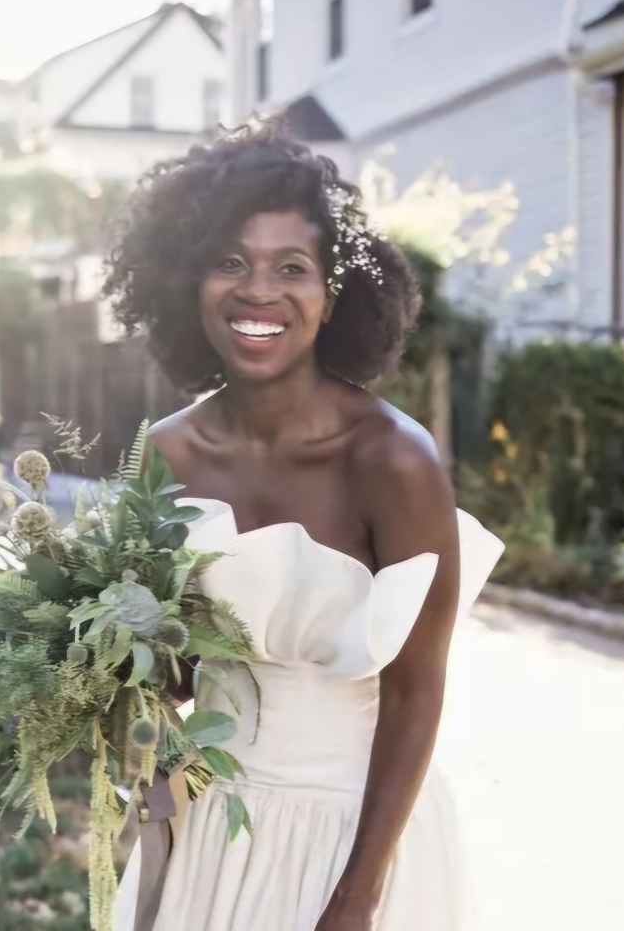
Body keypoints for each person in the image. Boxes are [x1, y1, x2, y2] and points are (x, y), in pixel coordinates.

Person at [105, 121, 502, 931]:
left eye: (292, 268)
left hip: (358, 833)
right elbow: (169, 671)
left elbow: (417, 688)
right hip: (211, 823)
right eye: (229, 263)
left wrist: (357, 897)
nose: (259, 291)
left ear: (333, 296)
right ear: (186, 281)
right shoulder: (166, 452)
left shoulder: (393, 459)